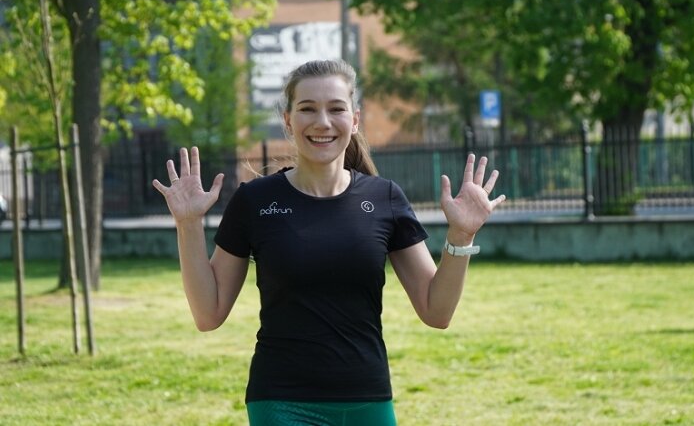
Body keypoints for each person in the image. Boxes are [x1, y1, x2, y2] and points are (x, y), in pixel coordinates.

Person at [152, 59, 505, 426]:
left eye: (336, 109)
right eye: (308, 109)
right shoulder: (254, 201)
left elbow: (437, 311)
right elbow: (208, 314)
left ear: (354, 120)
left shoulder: (385, 197)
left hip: (367, 399)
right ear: (288, 121)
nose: (322, 122)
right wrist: (189, 224)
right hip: (282, 401)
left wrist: (461, 235)